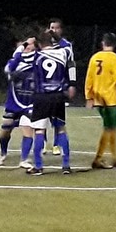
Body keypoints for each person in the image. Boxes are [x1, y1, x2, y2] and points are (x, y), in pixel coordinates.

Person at [26, 30, 77, 175]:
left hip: (41, 96)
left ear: (39, 44)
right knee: (60, 129)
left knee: (39, 131)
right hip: (58, 95)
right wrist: (56, 35)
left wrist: (27, 44)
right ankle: (66, 165)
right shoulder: (63, 52)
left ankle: (38, 166)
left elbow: (20, 54)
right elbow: (68, 46)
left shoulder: (36, 56)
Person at [85, 32, 116, 169]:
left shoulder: (95, 57)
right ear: (114, 44)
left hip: (98, 98)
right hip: (110, 99)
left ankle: (115, 158)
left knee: (112, 128)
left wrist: (89, 96)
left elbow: (89, 78)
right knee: (110, 128)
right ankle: (98, 158)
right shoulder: (114, 58)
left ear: (103, 43)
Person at [0, 37, 37, 168]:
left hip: (30, 103)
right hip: (14, 103)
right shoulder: (15, 61)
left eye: (29, 45)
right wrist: (19, 52)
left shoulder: (38, 61)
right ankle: (3, 153)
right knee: (5, 130)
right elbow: (8, 70)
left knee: (28, 130)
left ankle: (24, 159)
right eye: (25, 45)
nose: (27, 47)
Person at [45, 18, 76, 156]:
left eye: (56, 28)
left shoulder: (66, 46)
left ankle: (56, 144)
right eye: (51, 27)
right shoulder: (44, 44)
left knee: (58, 118)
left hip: (59, 86)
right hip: (43, 87)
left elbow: (71, 65)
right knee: (43, 117)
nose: (53, 30)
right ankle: (44, 143)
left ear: (61, 30)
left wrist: (72, 83)